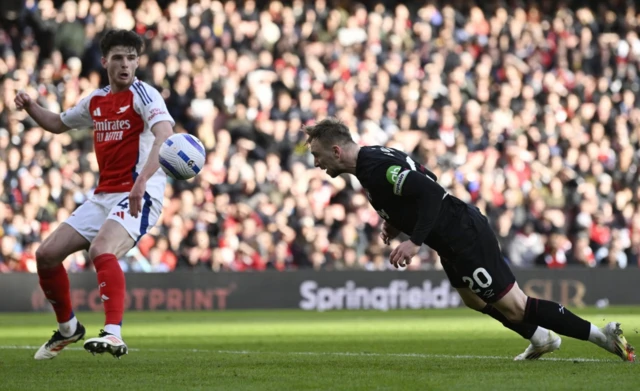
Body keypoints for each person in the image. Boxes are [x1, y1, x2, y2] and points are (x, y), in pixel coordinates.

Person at [305, 118, 635, 362]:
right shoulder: (371, 158)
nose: (317, 163)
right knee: (474, 300)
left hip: (462, 234)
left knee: (517, 307)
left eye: (318, 155)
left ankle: (601, 336)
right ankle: (540, 338)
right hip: (448, 240)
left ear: (336, 150)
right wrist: (393, 222)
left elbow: (432, 190)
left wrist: (415, 241)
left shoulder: (374, 167)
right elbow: (420, 181)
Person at [14, 30, 175, 360]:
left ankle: (114, 333)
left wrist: (142, 181)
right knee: (45, 255)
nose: (125, 64)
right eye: (118, 57)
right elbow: (58, 123)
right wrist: (31, 107)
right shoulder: (96, 100)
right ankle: (68, 328)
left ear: (138, 62)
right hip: (102, 196)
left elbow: (165, 136)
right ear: (104, 62)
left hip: (139, 194)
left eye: (131, 57)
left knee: (101, 249)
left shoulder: (146, 96)